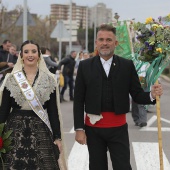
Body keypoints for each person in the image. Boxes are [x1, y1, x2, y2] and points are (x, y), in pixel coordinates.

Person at [73, 24, 163, 170]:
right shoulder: (85, 66)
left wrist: (152, 95)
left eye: (109, 40)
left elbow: (137, 95)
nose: (105, 43)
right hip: (93, 129)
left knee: (123, 167)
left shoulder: (127, 66)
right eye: (101, 39)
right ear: (96, 43)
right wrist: (79, 129)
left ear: (115, 43)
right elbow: (78, 100)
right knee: (96, 167)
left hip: (118, 128)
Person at [0, 40, 67, 170]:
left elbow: (53, 112)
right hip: (14, 131)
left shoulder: (49, 79)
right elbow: (4, 110)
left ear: (39, 55)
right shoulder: (11, 78)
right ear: (21, 56)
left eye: (33, 51)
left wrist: (57, 137)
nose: (30, 55)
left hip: (40, 129)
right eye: (26, 52)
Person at [131, 63, 150, 127]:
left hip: (144, 81)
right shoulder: (134, 59)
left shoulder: (147, 62)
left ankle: (143, 121)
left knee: (142, 102)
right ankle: (136, 119)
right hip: (135, 80)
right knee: (134, 101)